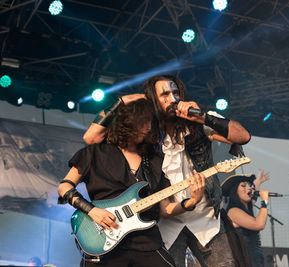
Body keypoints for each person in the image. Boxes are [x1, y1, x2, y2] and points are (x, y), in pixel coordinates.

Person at [83, 75, 252, 267]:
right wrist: (120, 102)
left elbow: (243, 136)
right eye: (164, 94)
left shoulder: (196, 123)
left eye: (175, 93)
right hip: (165, 222)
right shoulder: (144, 133)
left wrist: (203, 117)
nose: (172, 99)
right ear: (153, 100)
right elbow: (91, 138)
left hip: (205, 217)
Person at [58, 99, 206, 267]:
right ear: (127, 122)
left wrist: (192, 202)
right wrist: (92, 211)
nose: (148, 128)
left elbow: (165, 209)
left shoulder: (156, 161)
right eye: (143, 122)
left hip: (147, 242)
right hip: (105, 240)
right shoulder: (94, 153)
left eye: (150, 123)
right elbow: (64, 187)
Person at [222, 170, 271, 267]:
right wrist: (264, 202)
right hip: (244, 260)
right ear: (235, 190)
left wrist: (258, 183)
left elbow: (252, 199)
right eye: (243, 186)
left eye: (249, 185)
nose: (248, 188)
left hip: (255, 259)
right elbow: (259, 224)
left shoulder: (245, 208)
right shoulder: (233, 211)